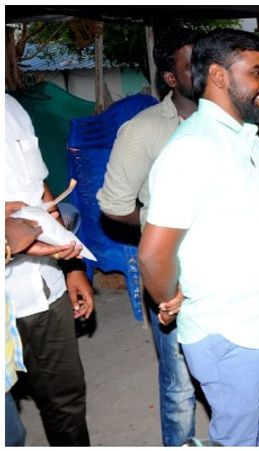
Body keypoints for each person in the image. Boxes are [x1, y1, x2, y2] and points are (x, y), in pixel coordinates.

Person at [138, 29, 259, 446]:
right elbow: (153, 254)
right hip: (228, 329)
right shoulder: (193, 148)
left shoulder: (248, 140)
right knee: (238, 438)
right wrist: (168, 299)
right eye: (257, 72)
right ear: (219, 76)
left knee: (256, 432)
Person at [96, 26, 200, 447]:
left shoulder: (237, 123)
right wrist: (160, 225)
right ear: (170, 78)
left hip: (228, 267)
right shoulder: (143, 130)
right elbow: (113, 203)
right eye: (192, 64)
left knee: (237, 370)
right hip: (172, 268)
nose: (206, 70)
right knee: (179, 383)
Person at [5, 94, 93, 446]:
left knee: (66, 400)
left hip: (46, 286)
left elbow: (41, 193)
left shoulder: (11, 107)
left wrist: (72, 266)